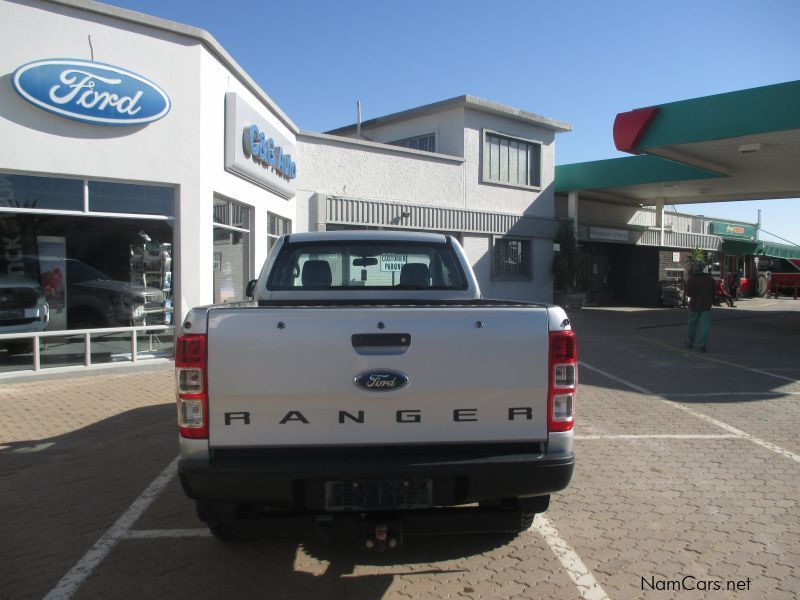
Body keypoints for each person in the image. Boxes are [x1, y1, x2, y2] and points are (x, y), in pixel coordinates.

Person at [685, 261, 715, 352]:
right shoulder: (710, 279)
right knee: (704, 325)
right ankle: (702, 345)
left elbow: (688, 293)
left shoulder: (691, 279)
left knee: (692, 324)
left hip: (694, 304)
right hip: (706, 304)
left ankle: (690, 342)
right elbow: (713, 293)